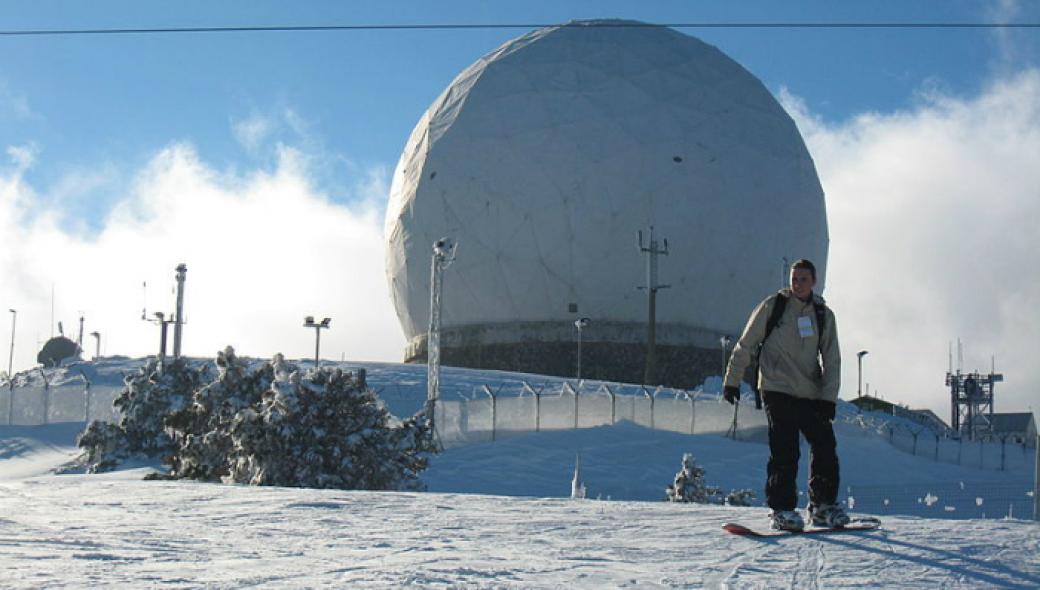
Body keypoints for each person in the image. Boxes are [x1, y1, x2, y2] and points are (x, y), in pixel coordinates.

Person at [722, 259, 848, 531]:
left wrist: (828, 398)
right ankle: (782, 509)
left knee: (825, 446)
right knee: (784, 449)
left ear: (813, 282)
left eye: (803, 279)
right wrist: (732, 380)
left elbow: (832, 358)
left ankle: (823, 506)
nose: (797, 283)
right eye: (794, 278)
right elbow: (746, 343)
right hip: (776, 387)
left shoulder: (823, 314)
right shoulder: (773, 307)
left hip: (810, 392)